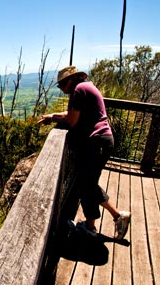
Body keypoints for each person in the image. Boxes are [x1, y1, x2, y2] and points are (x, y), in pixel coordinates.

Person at [38, 66, 131, 239]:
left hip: (96, 143)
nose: (62, 89)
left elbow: (72, 120)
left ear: (71, 80)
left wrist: (55, 118)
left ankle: (103, 222)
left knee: (86, 186)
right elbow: (71, 113)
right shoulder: (86, 87)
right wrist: (52, 116)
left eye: (62, 85)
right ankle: (110, 219)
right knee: (88, 184)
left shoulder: (79, 90)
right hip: (102, 141)